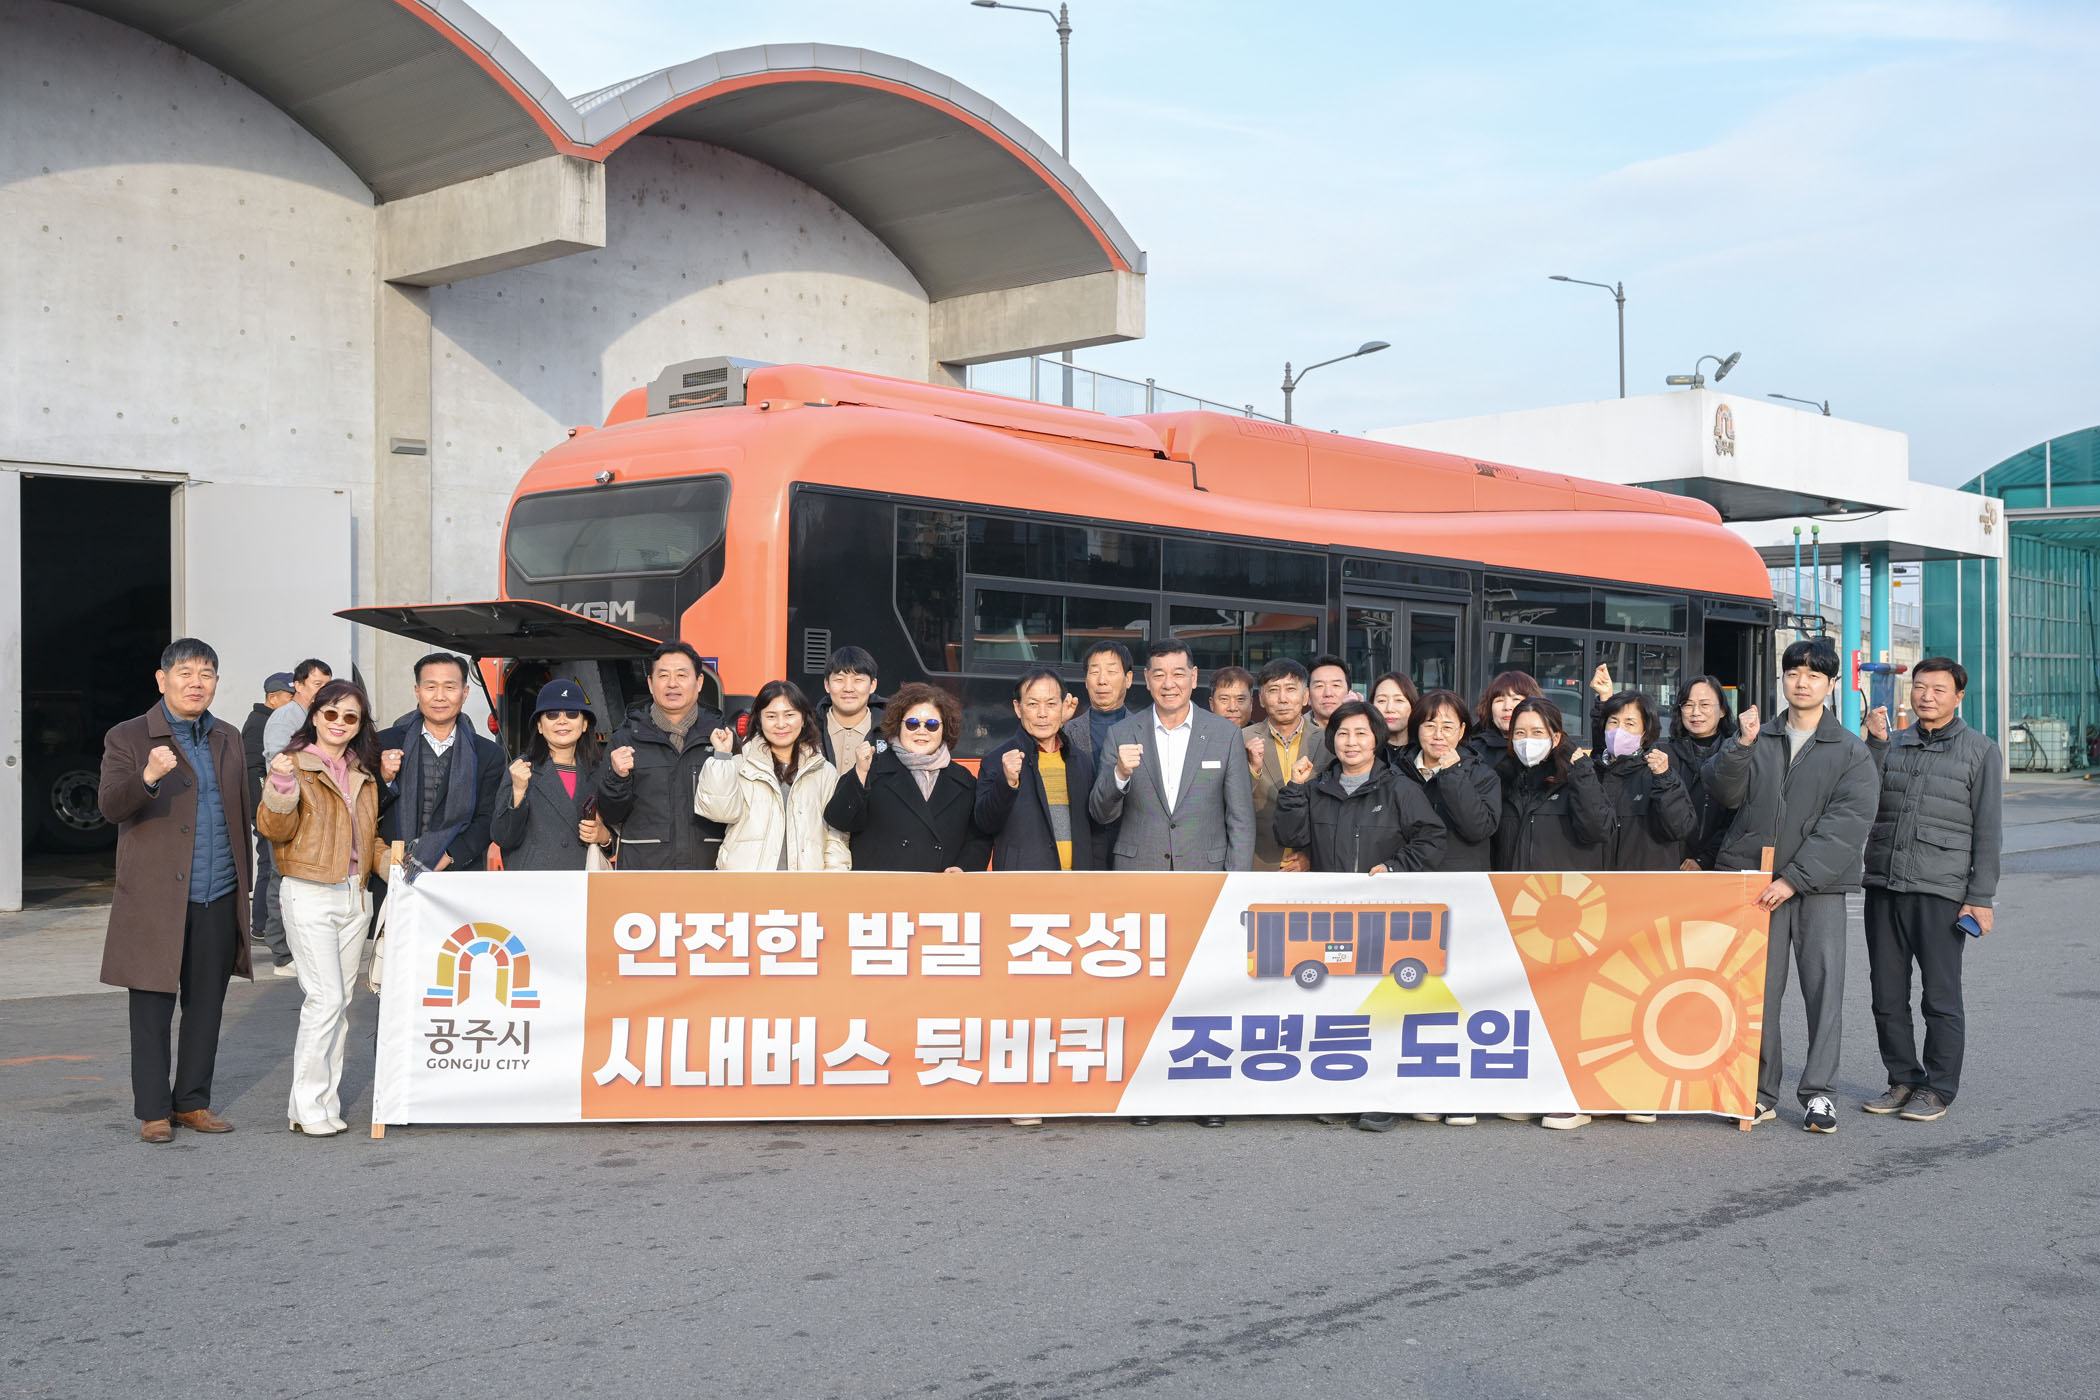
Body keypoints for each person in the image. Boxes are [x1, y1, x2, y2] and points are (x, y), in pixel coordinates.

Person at [1705, 640, 1877, 1133]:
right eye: (1794, 673)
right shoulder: (1757, 736)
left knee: (1824, 989)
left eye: (1814, 675)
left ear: (1832, 684)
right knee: (1759, 991)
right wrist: (1740, 746)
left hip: (1818, 887)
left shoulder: (1850, 751)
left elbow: (1847, 825)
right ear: (1782, 679)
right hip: (1757, 883)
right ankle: (1760, 1092)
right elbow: (1723, 793)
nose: (1802, 682)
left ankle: (1820, 1093)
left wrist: (1794, 879)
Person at [96, 638, 253, 1143]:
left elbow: (240, 813)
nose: (196, 683)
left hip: (217, 892)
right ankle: (153, 1112)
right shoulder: (128, 736)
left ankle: (193, 1103)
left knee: (206, 1005)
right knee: (151, 1008)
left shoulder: (228, 736)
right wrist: (147, 776)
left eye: (206, 674)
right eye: (185, 673)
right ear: (162, 680)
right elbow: (110, 807)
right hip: (155, 900)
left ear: (216, 683)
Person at [1859, 657, 2003, 1124]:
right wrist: (1874, 743)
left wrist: (1979, 896)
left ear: (1958, 697)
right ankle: (1902, 1078)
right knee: (1886, 994)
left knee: (1939, 997)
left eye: (1939, 690)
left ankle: (1938, 1088)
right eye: (1920, 687)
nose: (1926, 696)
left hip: (1941, 889)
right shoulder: (1892, 742)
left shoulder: (1980, 751)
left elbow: (1988, 830)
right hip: (1884, 882)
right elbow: (1863, 795)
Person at [256, 679, 397, 1137]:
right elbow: (274, 829)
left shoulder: (362, 772)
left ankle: (322, 1102)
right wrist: (280, 784)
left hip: (355, 895)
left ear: (359, 724)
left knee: (341, 1002)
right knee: (326, 998)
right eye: (331, 713)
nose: (339, 723)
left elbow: (368, 837)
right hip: (309, 891)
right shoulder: (293, 764)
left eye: (350, 716)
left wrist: (392, 865)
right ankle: (307, 1104)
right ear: (315, 715)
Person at [1493, 696, 1609, 1131]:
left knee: (1568, 1003)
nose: (1528, 741)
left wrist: (1582, 774)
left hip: (1565, 906)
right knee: (1528, 1002)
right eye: (1520, 733)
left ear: (1556, 736)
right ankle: (1535, 1088)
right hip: (1517, 904)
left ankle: (1574, 1097)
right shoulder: (1505, 778)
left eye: (1537, 733)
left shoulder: (1576, 775)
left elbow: (1598, 828)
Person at [1090, 639, 1254, 873]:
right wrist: (1120, 775)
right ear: (1147, 679)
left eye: (1178, 674)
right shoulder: (1121, 734)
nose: (1168, 684)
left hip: (1205, 873)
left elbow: (1241, 820)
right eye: (1159, 675)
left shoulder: (1225, 735)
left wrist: (1234, 882)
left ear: (1193, 677)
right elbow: (1100, 813)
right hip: (1139, 872)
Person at [826, 682, 991, 872]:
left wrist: (963, 868)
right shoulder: (872, 769)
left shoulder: (963, 780)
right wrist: (860, 773)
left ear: (944, 729)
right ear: (898, 726)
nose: (922, 731)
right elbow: (839, 820)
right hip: (882, 886)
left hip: (941, 887)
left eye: (931, 725)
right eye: (912, 724)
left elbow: (978, 838)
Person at [1272, 699, 1446, 875]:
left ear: (1376, 738)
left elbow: (1432, 839)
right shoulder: (1315, 789)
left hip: (1381, 891)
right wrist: (1295, 788)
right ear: (1333, 739)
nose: (1351, 742)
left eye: (1361, 733)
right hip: (1327, 891)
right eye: (1343, 734)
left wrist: (1393, 868)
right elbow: (1290, 837)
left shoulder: (1400, 789)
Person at [596, 641, 729, 870]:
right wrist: (617, 777)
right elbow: (610, 814)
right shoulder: (625, 739)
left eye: (681, 675)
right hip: (644, 874)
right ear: (650, 683)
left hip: (708, 872)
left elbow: (734, 811)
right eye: (663, 675)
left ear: (699, 682)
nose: (672, 683)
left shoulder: (722, 739)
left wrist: (724, 760)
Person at [696, 680, 850, 871]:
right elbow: (718, 812)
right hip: (747, 882)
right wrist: (722, 757)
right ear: (759, 720)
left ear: (803, 719)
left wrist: (833, 876)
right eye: (771, 716)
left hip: (805, 883)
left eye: (790, 715)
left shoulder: (824, 771)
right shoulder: (739, 765)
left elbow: (835, 837)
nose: (781, 724)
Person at [375, 653, 503, 873]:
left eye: (450, 687)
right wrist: (384, 779)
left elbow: (488, 818)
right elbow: (365, 810)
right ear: (417, 691)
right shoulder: (385, 743)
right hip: (393, 871)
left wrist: (451, 855)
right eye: (431, 687)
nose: (440, 697)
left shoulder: (488, 754)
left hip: (457, 875)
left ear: (465, 693)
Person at [976, 668, 1107, 871]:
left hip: (1076, 883)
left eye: (1051, 704)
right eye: (1033, 704)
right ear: (1018, 708)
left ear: (1063, 707)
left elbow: (1096, 831)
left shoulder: (1080, 761)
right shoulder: (997, 761)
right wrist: (1007, 783)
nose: (1042, 714)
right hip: (1023, 883)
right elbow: (985, 823)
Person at [491, 680, 618, 871]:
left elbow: (615, 836)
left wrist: (604, 837)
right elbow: (503, 837)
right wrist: (518, 792)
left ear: (584, 724)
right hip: (537, 883)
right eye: (552, 714)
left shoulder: (599, 772)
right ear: (540, 726)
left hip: (582, 881)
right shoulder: (521, 769)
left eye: (572, 713)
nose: (562, 720)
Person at [256, 659, 331, 976]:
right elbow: (278, 762)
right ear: (298, 686)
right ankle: (282, 955)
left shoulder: (321, 716)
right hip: (288, 809)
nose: (324, 691)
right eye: (317, 684)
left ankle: (303, 949)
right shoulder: (285, 717)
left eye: (327, 684)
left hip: (316, 811)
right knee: (281, 877)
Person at [1396, 689, 1502, 872]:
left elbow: (1477, 829)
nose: (1438, 735)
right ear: (1417, 728)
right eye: (1429, 726)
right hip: (1408, 877)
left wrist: (1453, 774)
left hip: (1459, 881)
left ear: (1461, 731)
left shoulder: (1482, 775)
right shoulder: (1397, 772)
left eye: (1447, 727)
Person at [1590, 691, 1698, 871]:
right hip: (1595, 884)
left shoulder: (1658, 773)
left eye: (1630, 723)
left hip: (1645, 882)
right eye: (1613, 722)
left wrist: (1664, 778)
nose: (1619, 730)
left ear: (1645, 733)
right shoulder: (1590, 772)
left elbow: (1680, 828)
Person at [1244, 659, 1325, 872]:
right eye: (1273, 690)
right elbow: (1232, 802)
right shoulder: (1242, 739)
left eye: (1290, 689)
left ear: (1306, 696)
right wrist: (1253, 769)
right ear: (1261, 699)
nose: (1282, 699)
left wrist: (1312, 856)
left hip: (1311, 866)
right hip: (1257, 864)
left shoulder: (1327, 742)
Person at [242, 672, 297, 977]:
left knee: (270, 863)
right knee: (269, 864)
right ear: (273, 698)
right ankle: (261, 925)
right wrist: (265, 805)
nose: (293, 703)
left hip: (268, 806)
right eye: (290, 697)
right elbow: (255, 771)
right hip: (265, 808)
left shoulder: (271, 720)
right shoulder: (260, 724)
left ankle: (263, 924)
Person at [1667, 676, 1739, 871]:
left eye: (1705, 704)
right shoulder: (1664, 755)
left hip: (1721, 868)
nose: (1695, 712)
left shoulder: (1735, 755)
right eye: (1688, 705)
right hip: (1671, 866)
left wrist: (1704, 859)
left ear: (1722, 710)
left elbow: (1740, 819)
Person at [1062, 640, 1135, 768]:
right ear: (1086, 680)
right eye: (1094, 672)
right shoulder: (1067, 730)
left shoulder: (1144, 730)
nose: (1102, 681)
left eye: (1111, 671)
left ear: (1128, 679)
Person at [816, 645, 884, 773]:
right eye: (839, 680)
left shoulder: (891, 731)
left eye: (858, 680)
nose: (848, 688)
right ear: (827, 685)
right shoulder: (808, 730)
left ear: (872, 685)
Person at [1469, 670, 1544, 767]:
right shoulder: (1472, 752)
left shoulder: (1550, 748)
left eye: (1516, 699)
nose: (1507, 707)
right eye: (1499, 700)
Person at [1369, 671, 1418, 751]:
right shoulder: (1362, 751)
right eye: (1382, 700)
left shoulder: (1425, 752)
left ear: (1413, 705)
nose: (1389, 709)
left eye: (1399, 700)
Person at [1307, 653, 1352, 726]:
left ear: (1349, 693)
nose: (1328, 693)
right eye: (1319, 686)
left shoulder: (1367, 728)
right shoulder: (1294, 730)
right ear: (1308, 696)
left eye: (1336, 685)